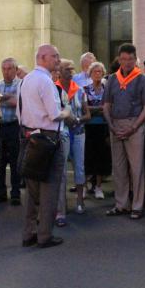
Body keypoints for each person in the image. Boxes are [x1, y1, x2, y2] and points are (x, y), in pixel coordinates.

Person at [17, 44, 72, 249]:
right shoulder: (46, 82)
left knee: (32, 191)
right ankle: (44, 236)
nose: (58, 60)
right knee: (49, 190)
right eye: (54, 57)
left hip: (29, 136)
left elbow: (19, 113)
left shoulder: (26, 80)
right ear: (42, 58)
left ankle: (28, 233)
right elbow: (55, 114)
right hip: (48, 139)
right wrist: (67, 111)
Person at [103, 43, 145, 220]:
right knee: (118, 168)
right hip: (115, 126)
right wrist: (110, 125)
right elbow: (106, 105)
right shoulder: (111, 79)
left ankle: (137, 205)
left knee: (136, 167)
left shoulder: (142, 79)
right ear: (119, 59)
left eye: (130, 59)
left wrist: (133, 127)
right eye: (123, 59)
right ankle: (121, 204)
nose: (126, 63)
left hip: (135, 125)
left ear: (135, 59)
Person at [56, 59, 90, 217]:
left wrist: (77, 120)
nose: (70, 71)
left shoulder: (80, 90)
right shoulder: (54, 89)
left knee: (79, 166)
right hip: (61, 133)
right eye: (67, 69)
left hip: (78, 132)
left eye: (72, 68)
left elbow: (87, 114)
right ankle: (61, 204)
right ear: (59, 71)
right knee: (61, 168)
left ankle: (80, 200)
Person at [0, 57, 22, 206]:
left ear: (16, 70)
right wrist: (8, 98)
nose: (6, 71)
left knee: (15, 161)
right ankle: (0, 192)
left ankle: (16, 193)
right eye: (4, 68)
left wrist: (3, 99)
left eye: (10, 68)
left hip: (14, 126)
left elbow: (18, 103)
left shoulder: (21, 84)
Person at [83, 61, 111, 200]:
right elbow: (85, 108)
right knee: (88, 156)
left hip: (103, 126)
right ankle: (86, 184)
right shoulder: (85, 89)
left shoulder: (107, 89)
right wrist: (99, 108)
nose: (97, 74)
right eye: (95, 71)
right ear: (90, 73)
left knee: (101, 156)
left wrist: (96, 109)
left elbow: (109, 107)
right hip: (89, 126)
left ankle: (98, 187)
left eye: (100, 71)